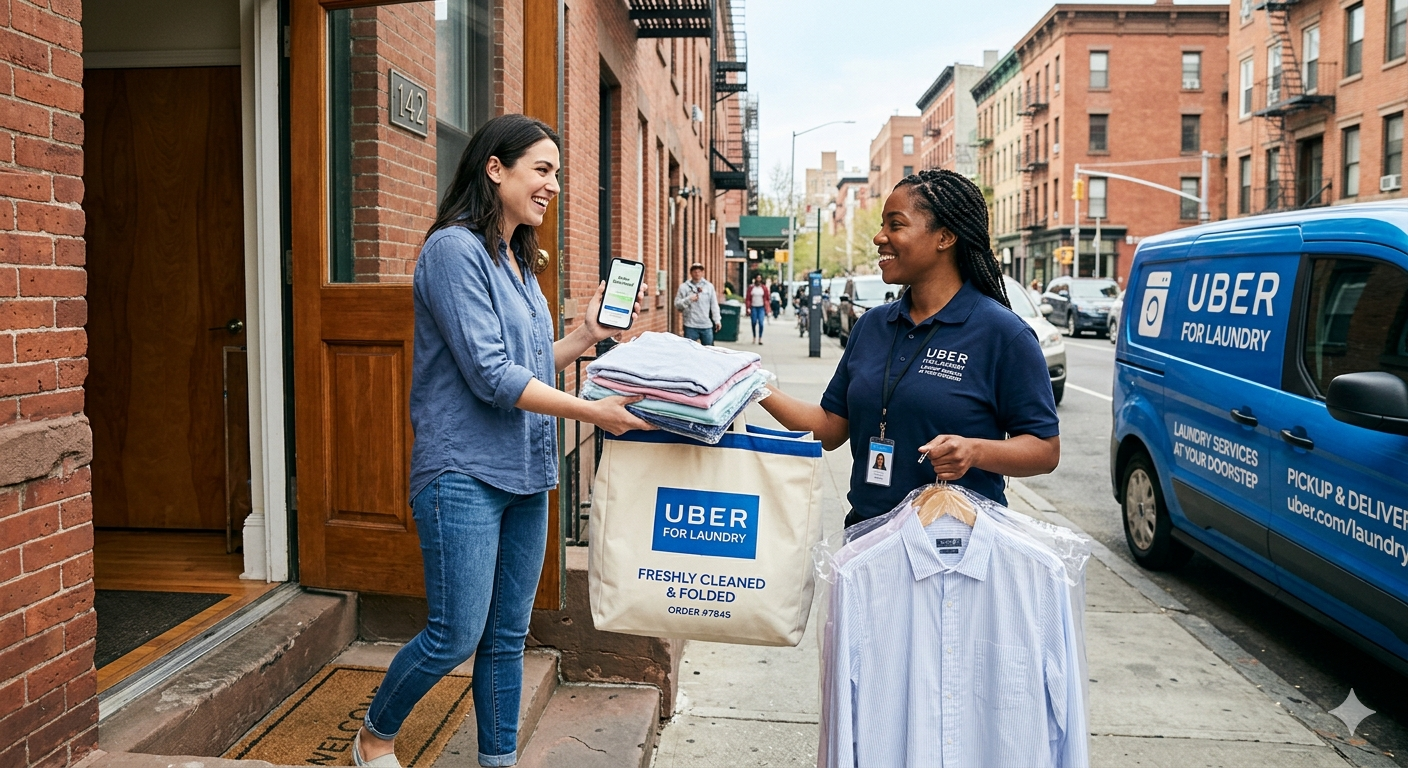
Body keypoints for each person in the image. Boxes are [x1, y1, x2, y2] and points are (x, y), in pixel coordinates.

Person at [353, 114, 651, 768]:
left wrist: (589, 334)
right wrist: (592, 412)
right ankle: (374, 735)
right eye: (542, 169)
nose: (553, 185)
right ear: (495, 168)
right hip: (462, 472)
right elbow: (492, 376)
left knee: (507, 636)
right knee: (455, 634)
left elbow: (530, 361)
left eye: (556, 173)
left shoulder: (517, 260)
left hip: (526, 472)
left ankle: (498, 761)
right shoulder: (452, 251)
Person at [758, 168, 1060, 526]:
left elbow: (1045, 450)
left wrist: (974, 450)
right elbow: (829, 428)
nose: (879, 237)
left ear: (945, 237)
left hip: (955, 542)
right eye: (882, 225)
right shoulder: (871, 326)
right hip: (866, 535)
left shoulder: (1004, 334)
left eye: (895, 225)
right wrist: (750, 384)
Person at [674, 262, 722, 345]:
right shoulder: (684, 287)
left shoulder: (709, 287)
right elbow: (677, 305)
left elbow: (714, 305)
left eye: (699, 271)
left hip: (706, 325)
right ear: (691, 273)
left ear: (703, 272)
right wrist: (689, 299)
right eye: (695, 271)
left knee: (708, 349)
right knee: (689, 349)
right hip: (690, 325)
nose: (697, 273)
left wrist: (717, 320)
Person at [747, 275, 770, 345]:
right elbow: (748, 298)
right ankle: (754, 336)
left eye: (760, 278)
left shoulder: (764, 288)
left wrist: (767, 308)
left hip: (761, 307)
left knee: (761, 323)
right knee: (753, 322)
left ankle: (760, 338)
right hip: (753, 307)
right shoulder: (751, 288)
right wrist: (748, 307)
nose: (758, 280)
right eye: (757, 278)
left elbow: (767, 298)